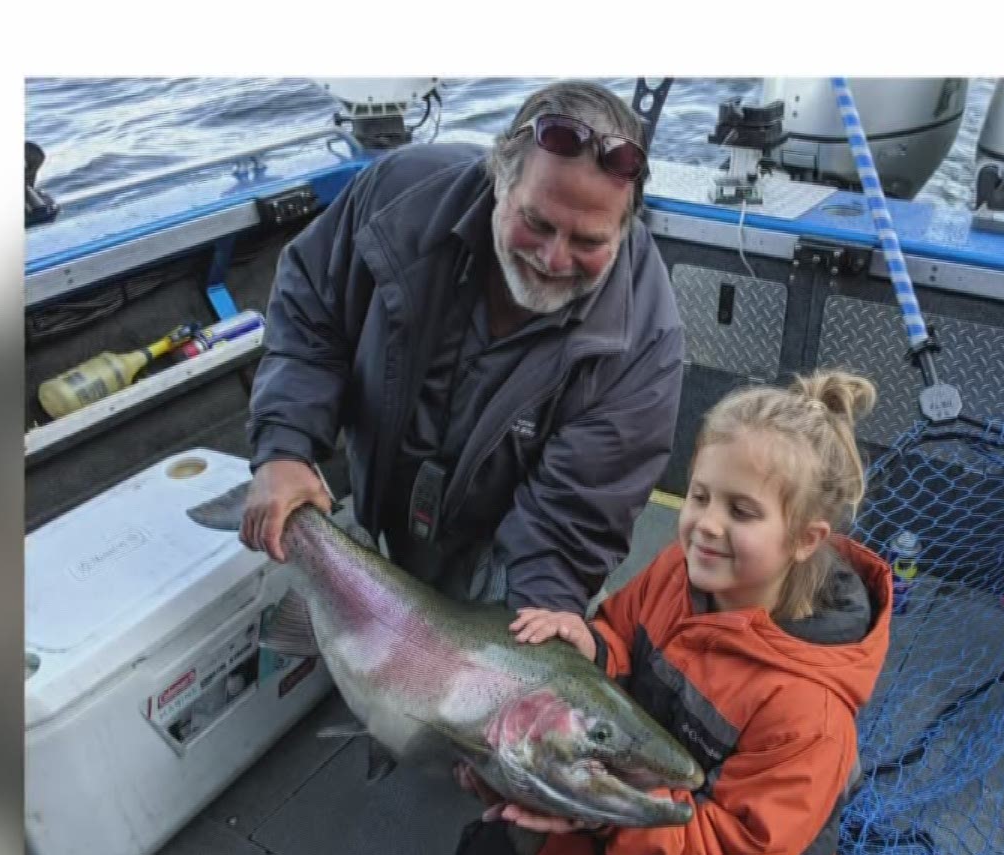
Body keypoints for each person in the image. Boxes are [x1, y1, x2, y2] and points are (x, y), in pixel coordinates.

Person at [451, 369, 895, 855]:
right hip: (631, 819)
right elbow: (620, 633)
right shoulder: (679, 571)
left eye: (742, 510)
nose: (707, 525)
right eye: (699, 495)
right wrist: (592, 647)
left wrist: (588, 806)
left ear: (804, 539)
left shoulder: (810, 715)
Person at [239, 80, 685, 619]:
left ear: (625, 228)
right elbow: (313, 310)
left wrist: (533, 632)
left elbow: (573, 519)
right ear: (499, 177)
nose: (553, 256)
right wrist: (284, 447)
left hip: (505, 557)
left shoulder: (645, 342)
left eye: (589, 242)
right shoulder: (397, 197)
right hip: (378, 494)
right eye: (536, 223)